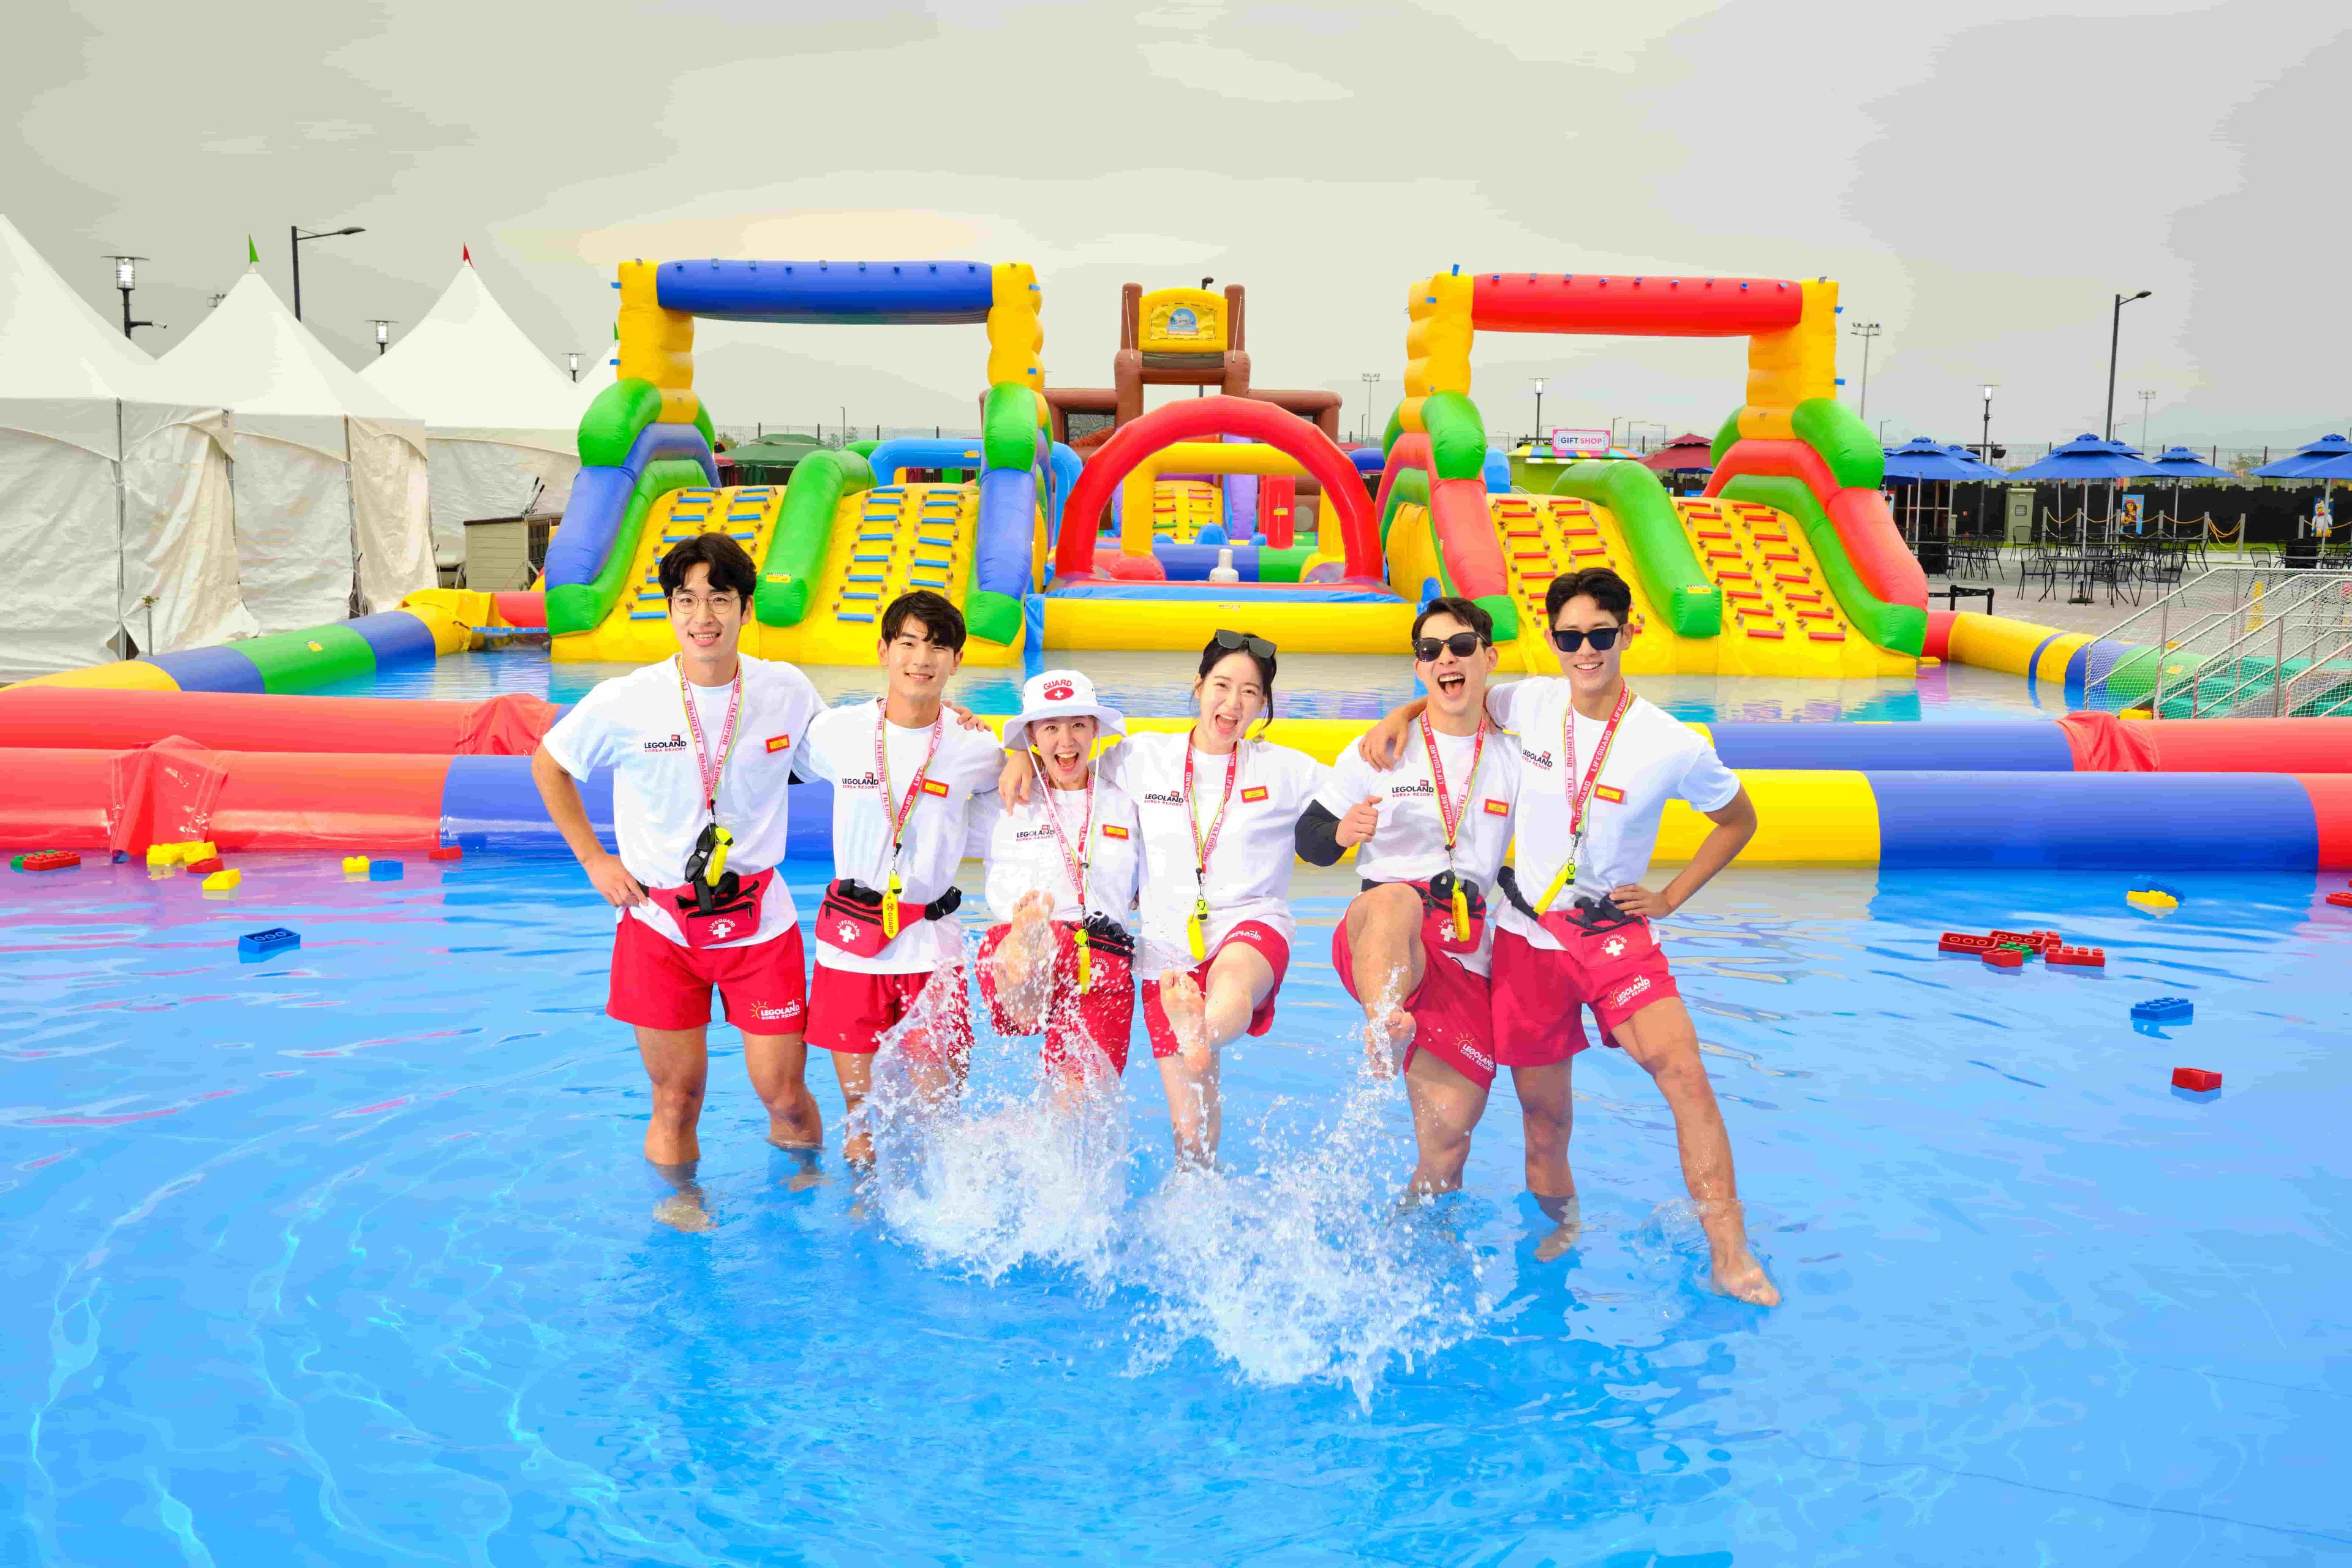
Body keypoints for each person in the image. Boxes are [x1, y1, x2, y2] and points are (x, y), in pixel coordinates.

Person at [1360, 567, 1777, 1305]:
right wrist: (1399, 716)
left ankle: (1731, 1253)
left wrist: (1671, 897)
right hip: (1525, 936)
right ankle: (1558, 1221)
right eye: (1569, 636)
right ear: (1552, 640)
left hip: (1612, 933)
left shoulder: (1672, 743)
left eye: (1600, 634)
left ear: (1628, 633)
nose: (1585, 650)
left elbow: (1739, 820)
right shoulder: (1530, 699)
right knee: (1544, 1114)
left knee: (1686, 1077)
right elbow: (1451, 683)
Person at [530, 532, 826, 1227]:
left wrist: (946, 723)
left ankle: (809, 1188)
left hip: (762, 922)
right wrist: (595, 861)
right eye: (687, 599)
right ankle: (681, 1202)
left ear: (745, 608)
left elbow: (856, 747)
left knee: (784, 1092)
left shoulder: (785, 689)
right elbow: (549, 765)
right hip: (659, 924)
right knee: (677, 1095)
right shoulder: (626, 699)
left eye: (720, 598)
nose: (704, 616)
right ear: (669, 610)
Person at [1001, 630, 1326, 1166]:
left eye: (1250, 692)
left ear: (1264, 705)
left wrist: (1401, 716)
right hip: (1166, 952)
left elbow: (1362, 785)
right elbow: (1066, 753)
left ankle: (1201, 1027)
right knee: (1191, 1128)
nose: (1233, 702)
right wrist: (1015, 753)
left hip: (1251, 925)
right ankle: (1198, 1194)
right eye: (1222, 685)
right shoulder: (1143, 757)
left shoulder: (1286, 769)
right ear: (1198, 688)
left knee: (1233, 986)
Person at [1296, 597, 1519, 1197]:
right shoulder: (1378, 753)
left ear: (1488, 657)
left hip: (1465, 945)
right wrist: (1342, 834)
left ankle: (1417, 1238)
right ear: (1418, 668)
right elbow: (1310, 841)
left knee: (1446, 1154)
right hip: (1384, 930)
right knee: (1398, 899)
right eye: (1430, 651)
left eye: (1462, 647)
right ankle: (1383, 1024)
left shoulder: (1516, 752)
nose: (1446, 658)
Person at [796, 590, 1006, 1165]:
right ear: (885, 650)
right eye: (909, 643)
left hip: (930, 943)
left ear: (956, 662)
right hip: (852, 945)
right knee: (859, 1118)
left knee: (942, 1106)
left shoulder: (976, 747)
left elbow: (1021, 798)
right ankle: (862, 1204)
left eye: (939, 647)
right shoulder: (836, 731)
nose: (923, 658)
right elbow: (764, 765)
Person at [974, 669, 1143, 1099]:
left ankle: (1027, 951)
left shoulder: (1124, 802)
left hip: (1102, 955)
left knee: (1079, 1099)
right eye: (1050, 727)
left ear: (1095, 731)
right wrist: (1013, 756)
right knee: (1021, 950)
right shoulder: (1006, 797)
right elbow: (943, 746)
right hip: (1030, 942)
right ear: (1031, 733)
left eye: (1078, 726)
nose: (1066, 742)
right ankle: (1026, 947)